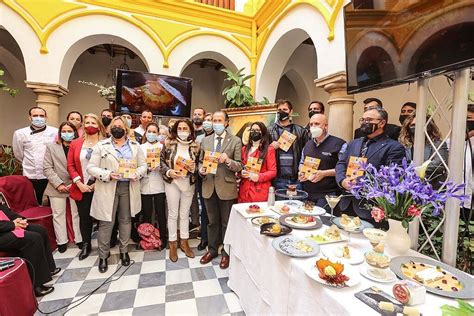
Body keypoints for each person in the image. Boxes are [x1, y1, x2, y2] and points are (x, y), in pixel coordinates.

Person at [87, 116, 147, 273]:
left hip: (128, 187)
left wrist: (137, 174)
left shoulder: (135, 146)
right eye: (115, 126)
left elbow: (143, 165)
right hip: (108, 188)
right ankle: (103, 256)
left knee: (126, 220)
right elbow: (91, 168)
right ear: (110, 128)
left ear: (126, 129)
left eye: (120, 126)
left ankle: (124, 251)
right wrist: (108, 174)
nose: (117, 128)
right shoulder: (101, 146)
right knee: (106, 222)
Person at [336, 108, 406, 221]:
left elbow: (392, 177)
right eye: (363, 120)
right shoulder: (354, 143)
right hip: (346, 203)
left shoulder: (394, 147)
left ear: (382, 123)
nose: (364, 123)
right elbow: (341, 163)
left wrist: (360, 181)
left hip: (370, 207)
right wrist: (342, 180)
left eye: (368, 120)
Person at [199, 111, 242, 269]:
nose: (216, 123)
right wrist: (201, 170)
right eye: (214, 120)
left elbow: (240, 165)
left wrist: (228, 160)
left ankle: (226, 252)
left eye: (219, 120)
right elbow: (199, 162)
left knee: (226, 223)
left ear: (226, 123)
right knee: (212, 222)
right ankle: (212, 249)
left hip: (226, 187)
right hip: (209, 186)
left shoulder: (235, 141)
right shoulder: (205, 140)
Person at [0, 204, 61, 297]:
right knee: (33, 239)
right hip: (2, 231)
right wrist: (12, 225)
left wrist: (20, 219)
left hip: (4, 226)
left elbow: (3, 209)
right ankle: (36, 285)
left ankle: (49, 269)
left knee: (40, 230)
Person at [160, 119, 199, 262]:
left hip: (188, 183)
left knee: (184, 214)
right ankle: (172, 244)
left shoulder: (196, 146)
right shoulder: (168, 143)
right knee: (173, 214)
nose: (183, 131)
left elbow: (200, 166)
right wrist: (169, 171)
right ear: (176, 130)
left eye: (185, 128)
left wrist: (194, 168)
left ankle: (184, 241)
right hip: (172, 182)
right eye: (180, 128)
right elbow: (161, 161)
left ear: (190, 130)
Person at [68, 113, 106, 260]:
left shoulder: (105, 143)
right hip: (81, 185)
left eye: (93, 123)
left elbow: (110, 165)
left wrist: (98, 182)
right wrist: (79, 183)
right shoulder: (75, 143)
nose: (90, 125)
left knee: (102, 218)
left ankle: (104, 246)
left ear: (99, 126)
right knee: (85, 218)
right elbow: (70, 165)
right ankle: (86, 245)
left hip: (101, 185)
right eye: (87, 122)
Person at [43, 122, 82, 253]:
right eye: (64, 131)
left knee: (76, 214)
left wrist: (74, 183)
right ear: (60, 133)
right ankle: (62, 242)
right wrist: (58, 184)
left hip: (76, 185)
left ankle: (79, 239)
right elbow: (47, 167)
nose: (67, 133)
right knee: (58, 214)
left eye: (69, 131)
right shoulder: (51, 147)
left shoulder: (79, 146)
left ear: (75, 132)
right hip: (56, 187)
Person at [299, 114, 346, 213]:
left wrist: (324, 173)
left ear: (325, 126)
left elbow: (344, 169)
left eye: (317, 124)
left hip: (327, 194)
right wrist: (301, 172)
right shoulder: (308, 144)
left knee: (322, 222)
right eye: (311, 124)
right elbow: (302, 163)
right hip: (307, 193)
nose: (313, 127)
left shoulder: (339, 144)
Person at [12, 106, 58, 205]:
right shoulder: (20, 133)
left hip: (50, 174)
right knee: (33, 202)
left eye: (41, 116)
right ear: (30, 117)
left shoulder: (55, 131)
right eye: (35, 115)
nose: (38, 118)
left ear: (46, 117)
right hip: (31, 174)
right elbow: (18, 153)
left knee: (53, 203)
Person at [268, 99, 310, 191]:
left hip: (296, 179)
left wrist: (304, 172)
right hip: (278, 178)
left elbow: (308, 152)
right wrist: (270, 147)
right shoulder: (269, 131)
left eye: (285, 110)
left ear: (291, 112)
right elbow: (262, 151)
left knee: (297, 204)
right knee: (279, 205)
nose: (282, 112)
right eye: (279, 110)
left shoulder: (300, 131)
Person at [399, 114, 448, 187]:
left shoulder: (437, 144)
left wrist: (414, 169)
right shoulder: (402, 145)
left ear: (428, 126)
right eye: (413, 125)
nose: (416, 128)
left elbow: (439, 165)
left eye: (420, 125)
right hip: (407, 186)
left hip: (431, 186)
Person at [140, 122, 167, 249]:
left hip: (160, 184)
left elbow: (167, 165)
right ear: (146, 133)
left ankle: (163, 238)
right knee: (147, 213)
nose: (151, 134)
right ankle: (147, 239)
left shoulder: (162, 147)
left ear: (158, 134)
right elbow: (138, 166)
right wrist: (147, 169)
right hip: (145, 185)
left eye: (154, 132)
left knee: (161, 213)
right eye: (149, 131)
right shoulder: (140, 147)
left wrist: (159, 167)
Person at [238, 121, 277, 203]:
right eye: (252, 130)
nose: (254, 132)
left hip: (259, 190)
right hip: (244, 189)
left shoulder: (269, 149)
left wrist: (259, 177)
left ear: (263, 132)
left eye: (257, 130)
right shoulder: (244, 149)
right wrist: (240, 172)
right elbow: (241, 166)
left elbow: (273, 172)